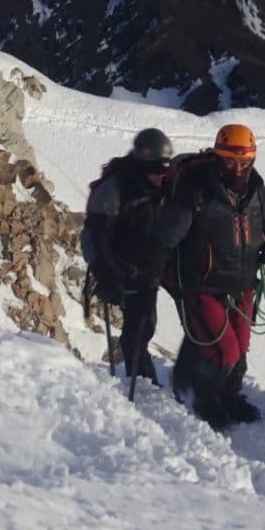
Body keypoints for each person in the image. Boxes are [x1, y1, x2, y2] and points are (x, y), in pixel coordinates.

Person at [143, 124, 265, 429]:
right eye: (231, 161)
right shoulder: (196, 191)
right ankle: (204, 397)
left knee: (240, 343)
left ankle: (229, 395)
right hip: (200, 284)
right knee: (223, 348)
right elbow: (167, 237)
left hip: (242, 281)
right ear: (218, 158)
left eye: (245, 162)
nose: (238, 169)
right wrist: (152, 273)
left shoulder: (256, 188)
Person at [82, 128, 174, 385]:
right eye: (157, 170)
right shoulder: (116, 188)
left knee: (143, 328)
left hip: (150, 268)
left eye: (165, 171)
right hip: (123, 269)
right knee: (136, 332)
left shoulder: (158, 187)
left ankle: (144, 383)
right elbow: (93, 235)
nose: (161, 176)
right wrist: (105, 272)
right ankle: (146, 386)